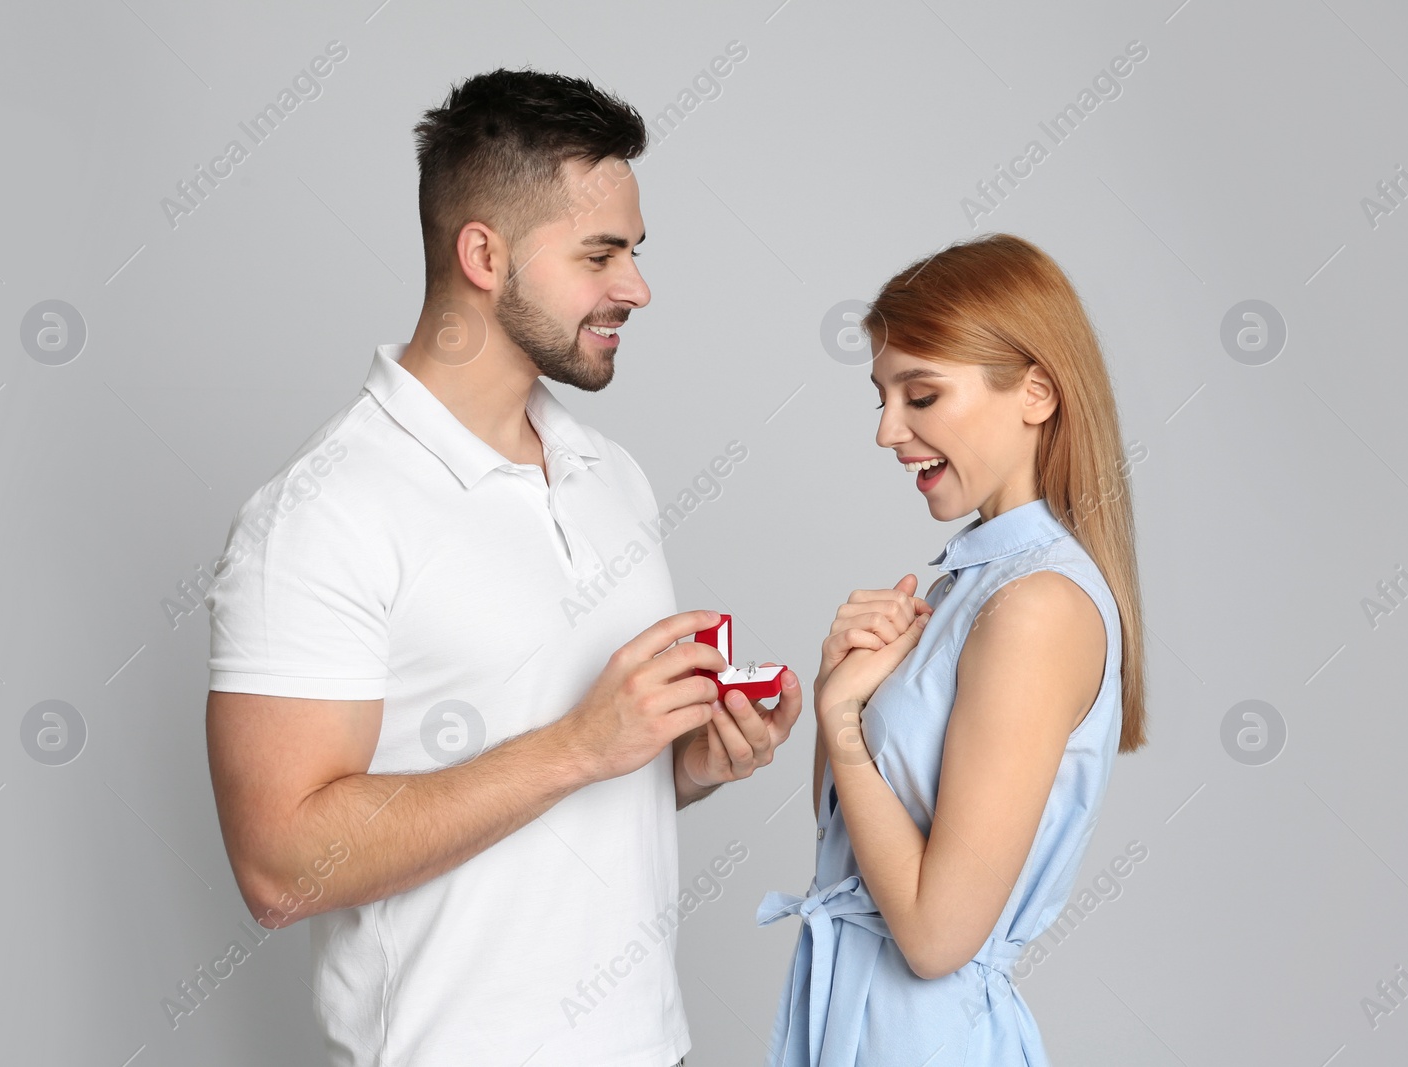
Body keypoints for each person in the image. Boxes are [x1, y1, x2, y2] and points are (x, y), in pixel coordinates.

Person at [202, 69, 802, 1067]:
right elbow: (279, 866)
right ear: (483, 253)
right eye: (599, 254)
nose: (637, 287)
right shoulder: (318, 516)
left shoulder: (613, 475)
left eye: (634, 253)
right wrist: (579, 743)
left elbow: (580, 782)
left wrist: (675, 767)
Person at [756, 233, 1148, 1066]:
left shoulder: (1037, 606)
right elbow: (847, 849)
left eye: (922, 395)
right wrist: (842, 692)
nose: (887, 430)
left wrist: (841, 720)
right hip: (856, 1026)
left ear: (1036, 392)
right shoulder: (963, 584)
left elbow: (936, 936)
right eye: (883, 397)